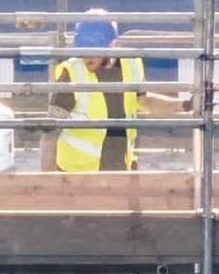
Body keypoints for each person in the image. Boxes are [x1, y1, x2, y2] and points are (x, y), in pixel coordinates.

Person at [49, 12, 147, 172]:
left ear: (112, 45)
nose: (87, 57)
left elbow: (144, 102)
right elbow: (50, 131)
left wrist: (184, 105)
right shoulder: (73, 72)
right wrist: (49, 180)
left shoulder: (131, 65)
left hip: (118, 168)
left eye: (94, 49)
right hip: (76, 174)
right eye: (84, 49)